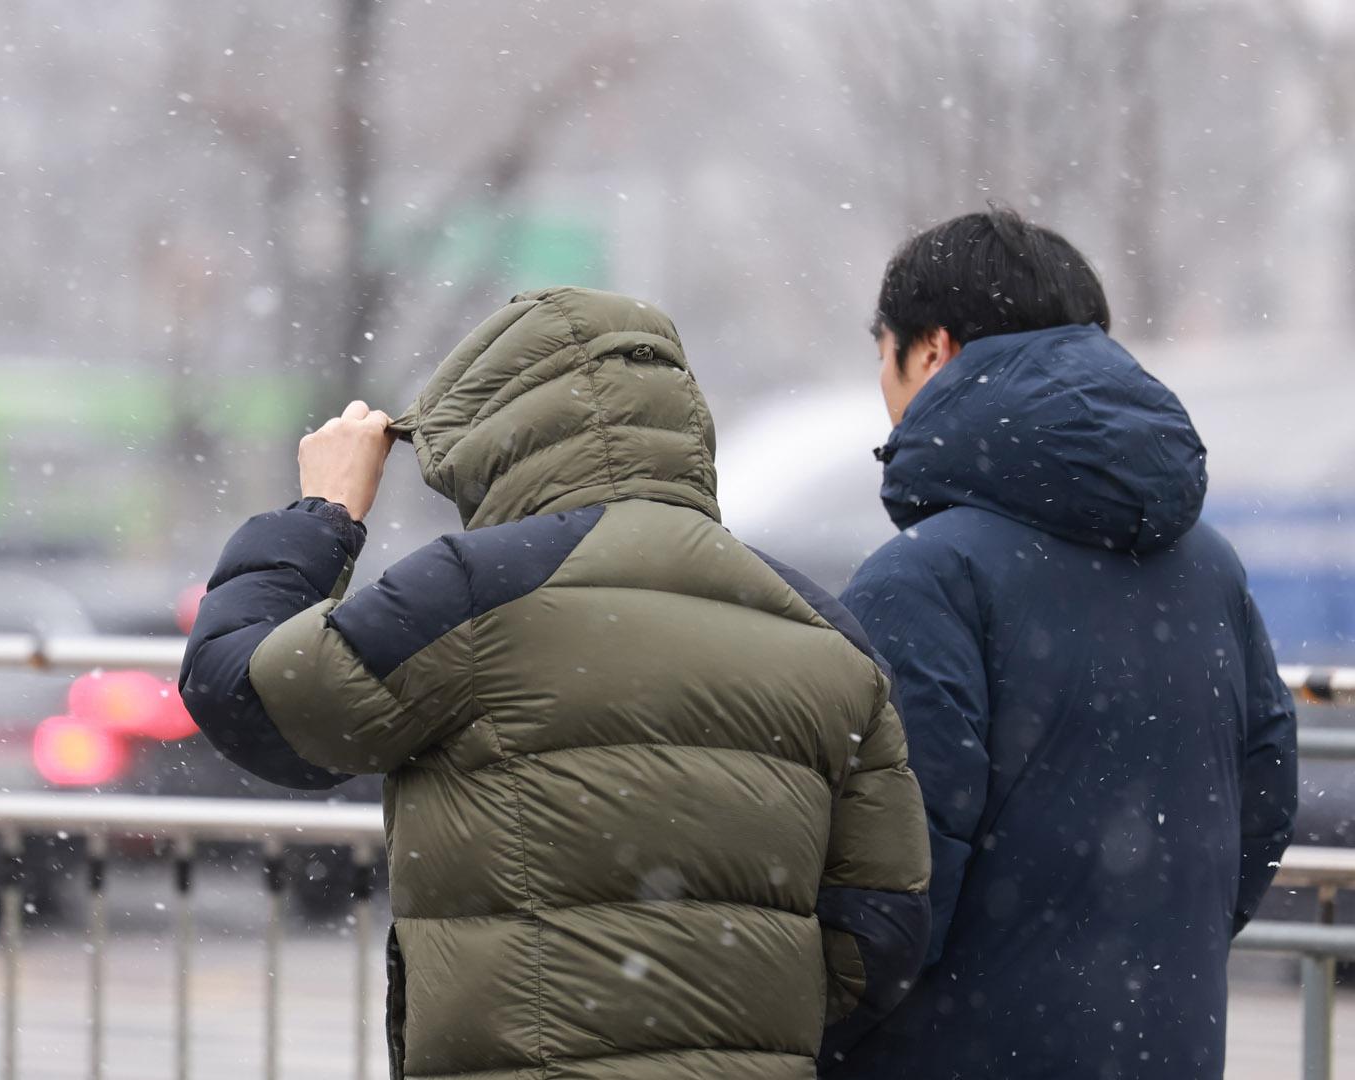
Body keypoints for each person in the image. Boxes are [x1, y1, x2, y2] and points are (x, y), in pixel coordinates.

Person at [181, 286, 931, 1080]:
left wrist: (324, 513)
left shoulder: (475, 590)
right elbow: (878, 930)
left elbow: (248, 694)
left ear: (493, 438)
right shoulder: (823, 631)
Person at [832, 209, 1298, 1079]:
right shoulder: (1210, 567)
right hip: (1166, 1048)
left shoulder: (924, 579)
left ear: (931, 353)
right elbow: (1264, 800)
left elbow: (894, 882)